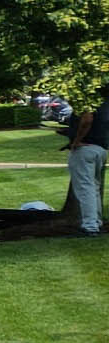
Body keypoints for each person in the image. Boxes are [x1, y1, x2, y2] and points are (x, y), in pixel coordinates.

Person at [65, 90, 106, 237]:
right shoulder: (104, 105)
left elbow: (87, 120)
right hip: (100, 149)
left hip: (84, 149)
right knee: (94, 187)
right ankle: (97, 221)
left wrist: (76, 141)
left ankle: (90, 226)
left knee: (85, 187)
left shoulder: (87, 103)